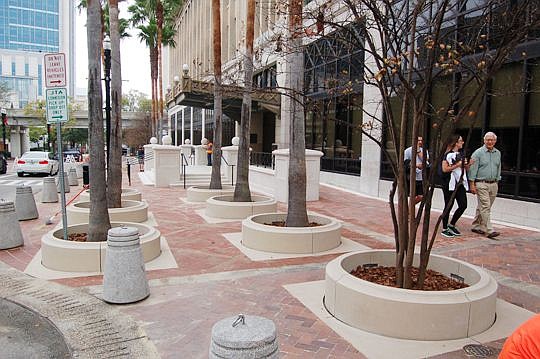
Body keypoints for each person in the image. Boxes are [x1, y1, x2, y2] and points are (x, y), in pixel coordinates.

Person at [468, 132, 502, 239]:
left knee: (484, 206)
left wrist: (497, 180)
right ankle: (489, 230)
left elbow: (498, 167)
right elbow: (472, 170)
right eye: (488, 140)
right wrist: (472, 184)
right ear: (484, 140)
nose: (490, 142)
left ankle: (476, 225)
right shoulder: (477, 153)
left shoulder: (498, 153)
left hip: (493, 184)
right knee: (485, 206)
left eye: (492, 140)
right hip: (481, 183)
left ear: (495, 141)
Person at [440, 135, 474, 238]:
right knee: (448, 205)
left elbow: (462, 169)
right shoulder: (447, 155)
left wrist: (468, 165)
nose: (462, 143)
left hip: (460, 183)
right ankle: (445, 228)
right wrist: (458, 165)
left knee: (463, 204)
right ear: (455, 143)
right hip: (449, 184)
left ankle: (452, 224)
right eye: (460, 141)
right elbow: (444, 169)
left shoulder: (461, 154)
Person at [404, 136, 429, 204]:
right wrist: (416, 165)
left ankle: (410, 206)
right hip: (412, 177)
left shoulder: (424, 151)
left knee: (421, 196)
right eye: (418, 140)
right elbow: (405, 163)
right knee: (412, 195)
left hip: (421, 177)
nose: (420, 142)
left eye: (421, 140)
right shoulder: (408, 151)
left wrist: (418, 151)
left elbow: (426, 161)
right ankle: (409, 210)